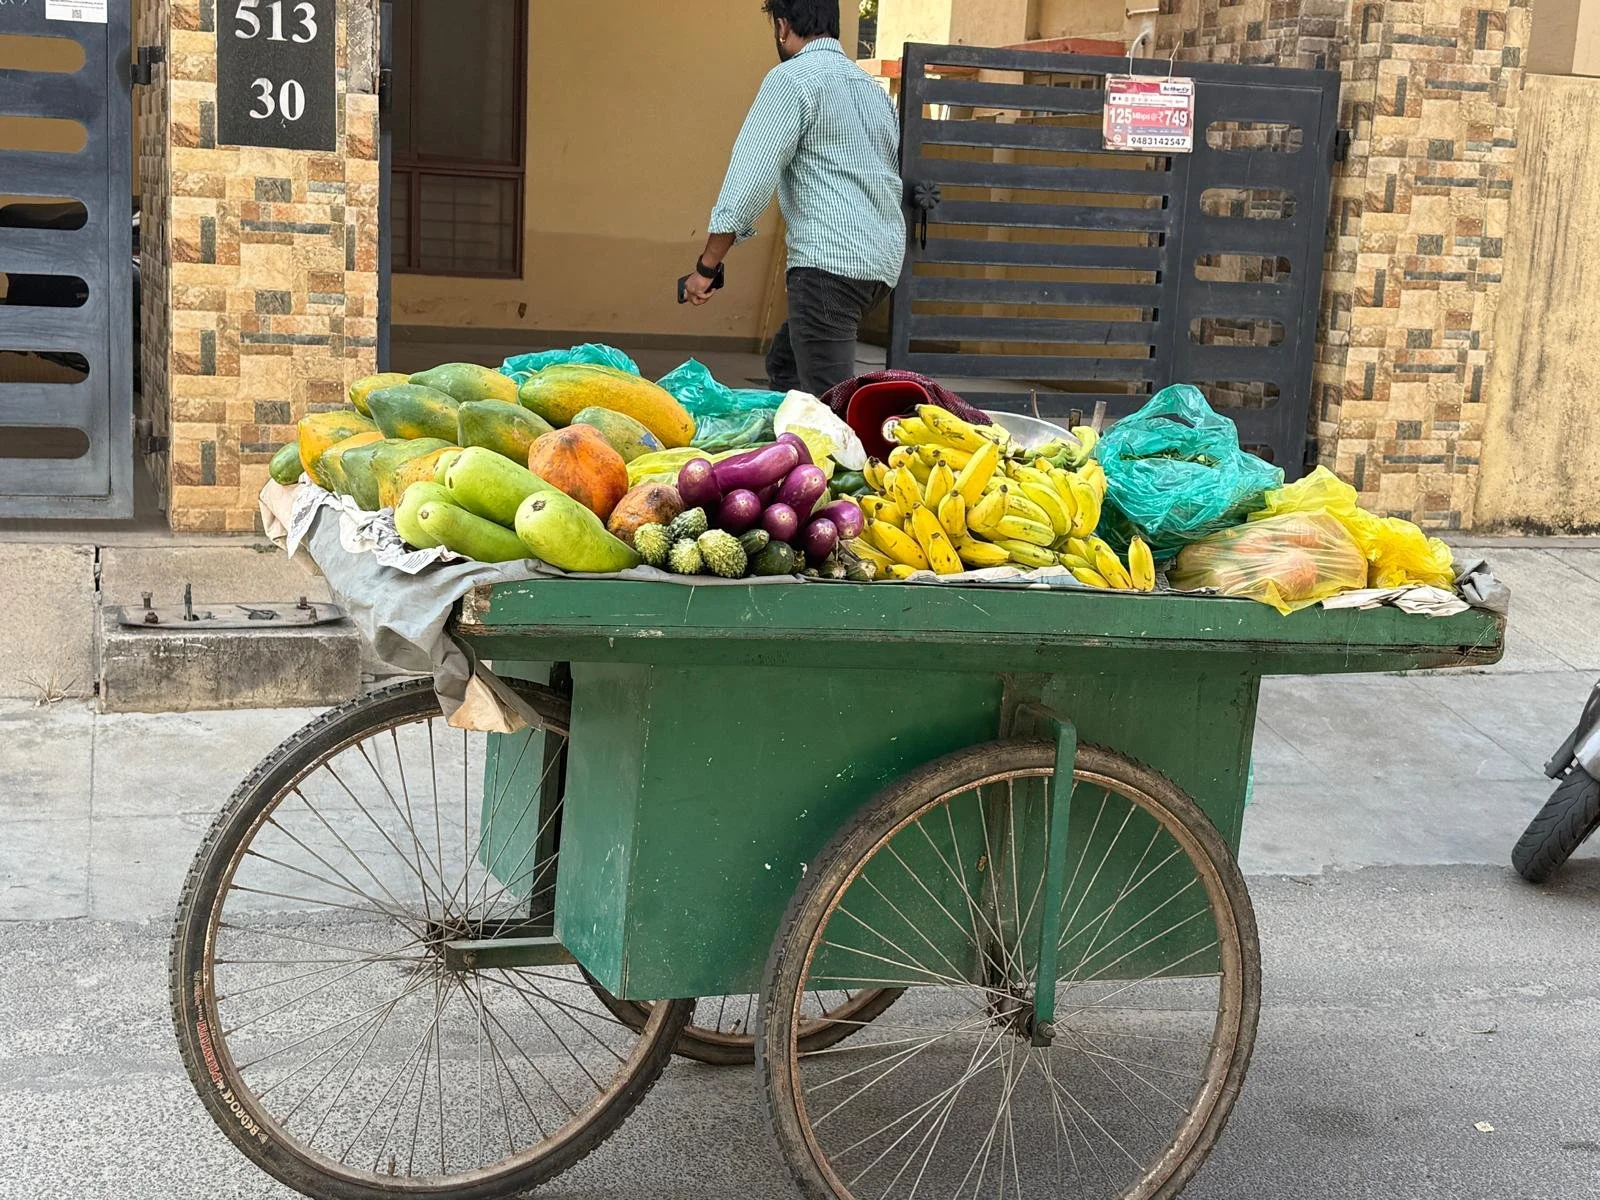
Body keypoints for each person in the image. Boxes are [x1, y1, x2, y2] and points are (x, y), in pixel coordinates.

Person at [682, 0, 907, 397]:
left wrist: (707, 266)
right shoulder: (872, 91)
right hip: (881, 267)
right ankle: (788, 427)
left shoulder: (790, 79)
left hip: (830, 266)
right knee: (786, 363)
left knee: (832, 407)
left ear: (783, 27)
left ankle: (834, 433)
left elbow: (748, 182)